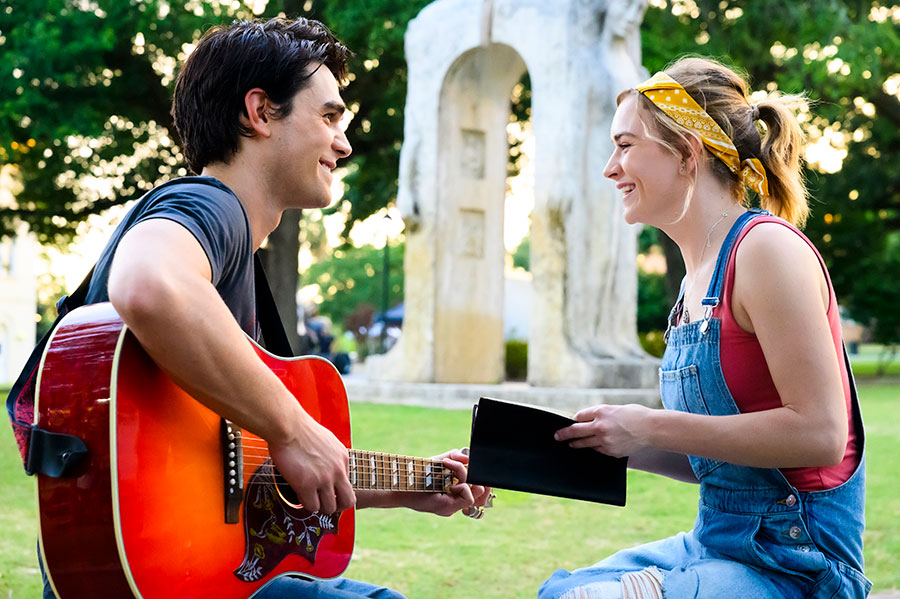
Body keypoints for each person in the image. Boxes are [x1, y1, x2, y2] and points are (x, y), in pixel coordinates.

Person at [37, 17, 490, 599]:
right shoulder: (210, 207)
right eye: (328, 117)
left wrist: (409, 485)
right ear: (260, 112)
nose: (344, 143)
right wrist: (294, 427)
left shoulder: (229, 258)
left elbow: (249, 467)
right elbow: (148, 282)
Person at [539, 57, 869, 599]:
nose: (609, 167)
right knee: (561, 591)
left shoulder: (766, 250)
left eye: (625, 145)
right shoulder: (699, 278)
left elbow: (821, 435)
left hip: (796, 562)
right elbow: (718, 458)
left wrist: (648, 425)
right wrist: (611, 444)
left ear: (687, 152)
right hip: (717, 542)